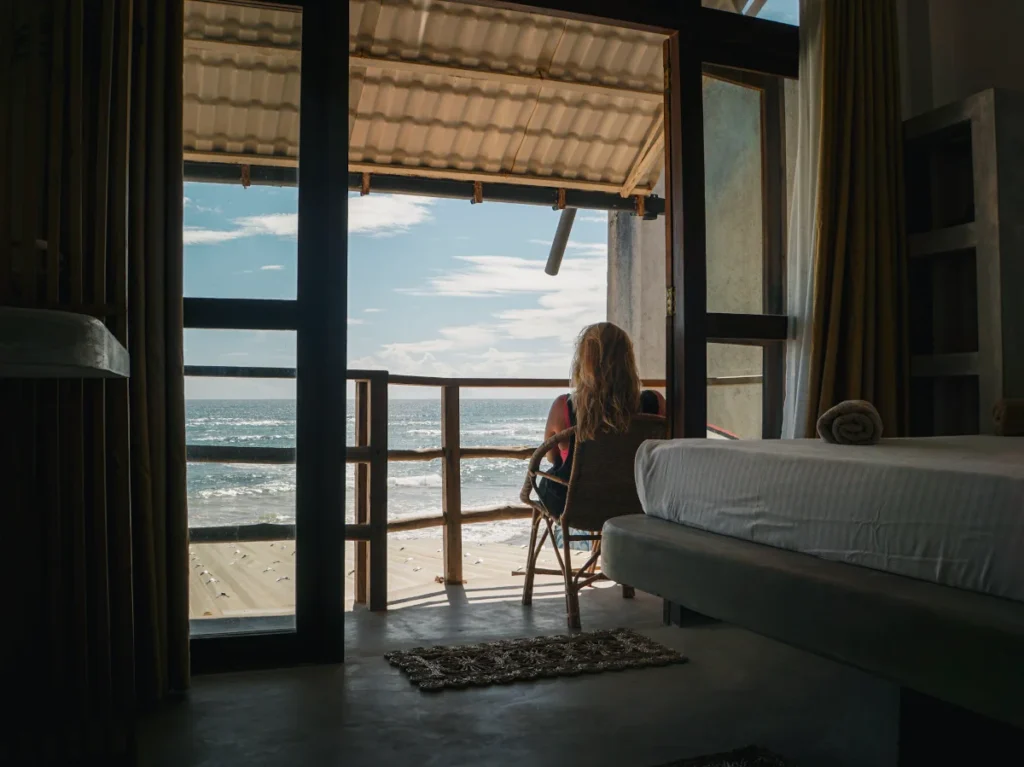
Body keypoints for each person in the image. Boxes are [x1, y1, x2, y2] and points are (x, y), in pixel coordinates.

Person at [532, 323, 665, 543]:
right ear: (628, 360)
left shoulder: (564, 407)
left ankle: (574, 553)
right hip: (638, 503)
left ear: (584, 361)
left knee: (554, 485)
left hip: (579, 507)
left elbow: (551, 457)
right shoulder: (655, 404)